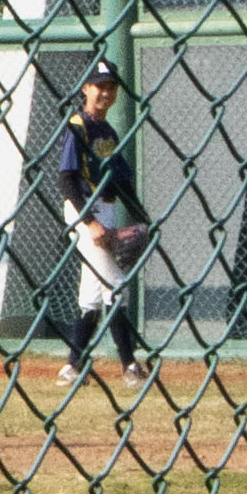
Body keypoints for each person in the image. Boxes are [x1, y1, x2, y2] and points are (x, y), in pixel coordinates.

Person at [40, 61, 148, 385]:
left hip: (106, 208)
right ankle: (130, 366)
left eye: (111, 87)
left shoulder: (108, 131)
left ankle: (72, 368)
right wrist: (89, 222)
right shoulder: (78, 125)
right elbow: (66, 179)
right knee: (115, 283)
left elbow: (120, 182)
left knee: (91, 294)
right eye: (99, 86)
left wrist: (143, 217)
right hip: (84, 209)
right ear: (86, 89)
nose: (105, 92)